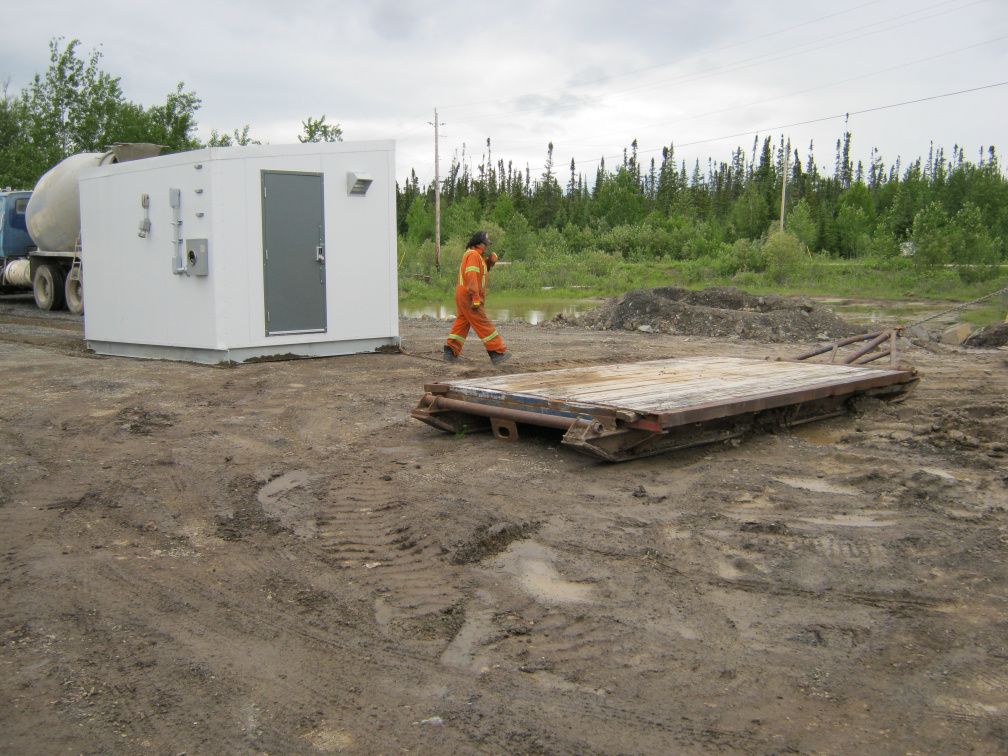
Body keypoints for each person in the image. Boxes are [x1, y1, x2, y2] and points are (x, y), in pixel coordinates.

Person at [444, 230, 511, 366]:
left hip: (463, 295)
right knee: (483, 323)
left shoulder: (474, 255)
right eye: (484, 243)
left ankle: (450, 351)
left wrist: (489, 262)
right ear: (477, 243)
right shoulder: (473, 255)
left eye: (487, 244)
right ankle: (497, 353)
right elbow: (471, 276)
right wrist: (475, 297)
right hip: (469, 296)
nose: (486, 246)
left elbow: (480, 272)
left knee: (462, 323)